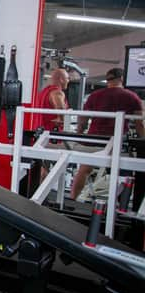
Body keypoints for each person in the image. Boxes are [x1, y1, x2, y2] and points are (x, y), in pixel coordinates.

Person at [70, 68, 145, 200]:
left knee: (84, 170)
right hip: (116, 144)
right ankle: (120, 206)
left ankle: (72, 198)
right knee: (124, 174)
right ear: (121, 78)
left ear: (108, 79)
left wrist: (80, 135)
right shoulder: (131, 96)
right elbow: (139, 124)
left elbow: (83, 120)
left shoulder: (95, 95)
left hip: (94, 141)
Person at [36, 68, 70, 132]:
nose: (68, 81)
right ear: (61, 79)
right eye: (67, 78)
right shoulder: (57, 92)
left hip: (41, 131)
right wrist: (61, 119)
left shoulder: (44, 92)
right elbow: (60, 107)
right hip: (52, 133)